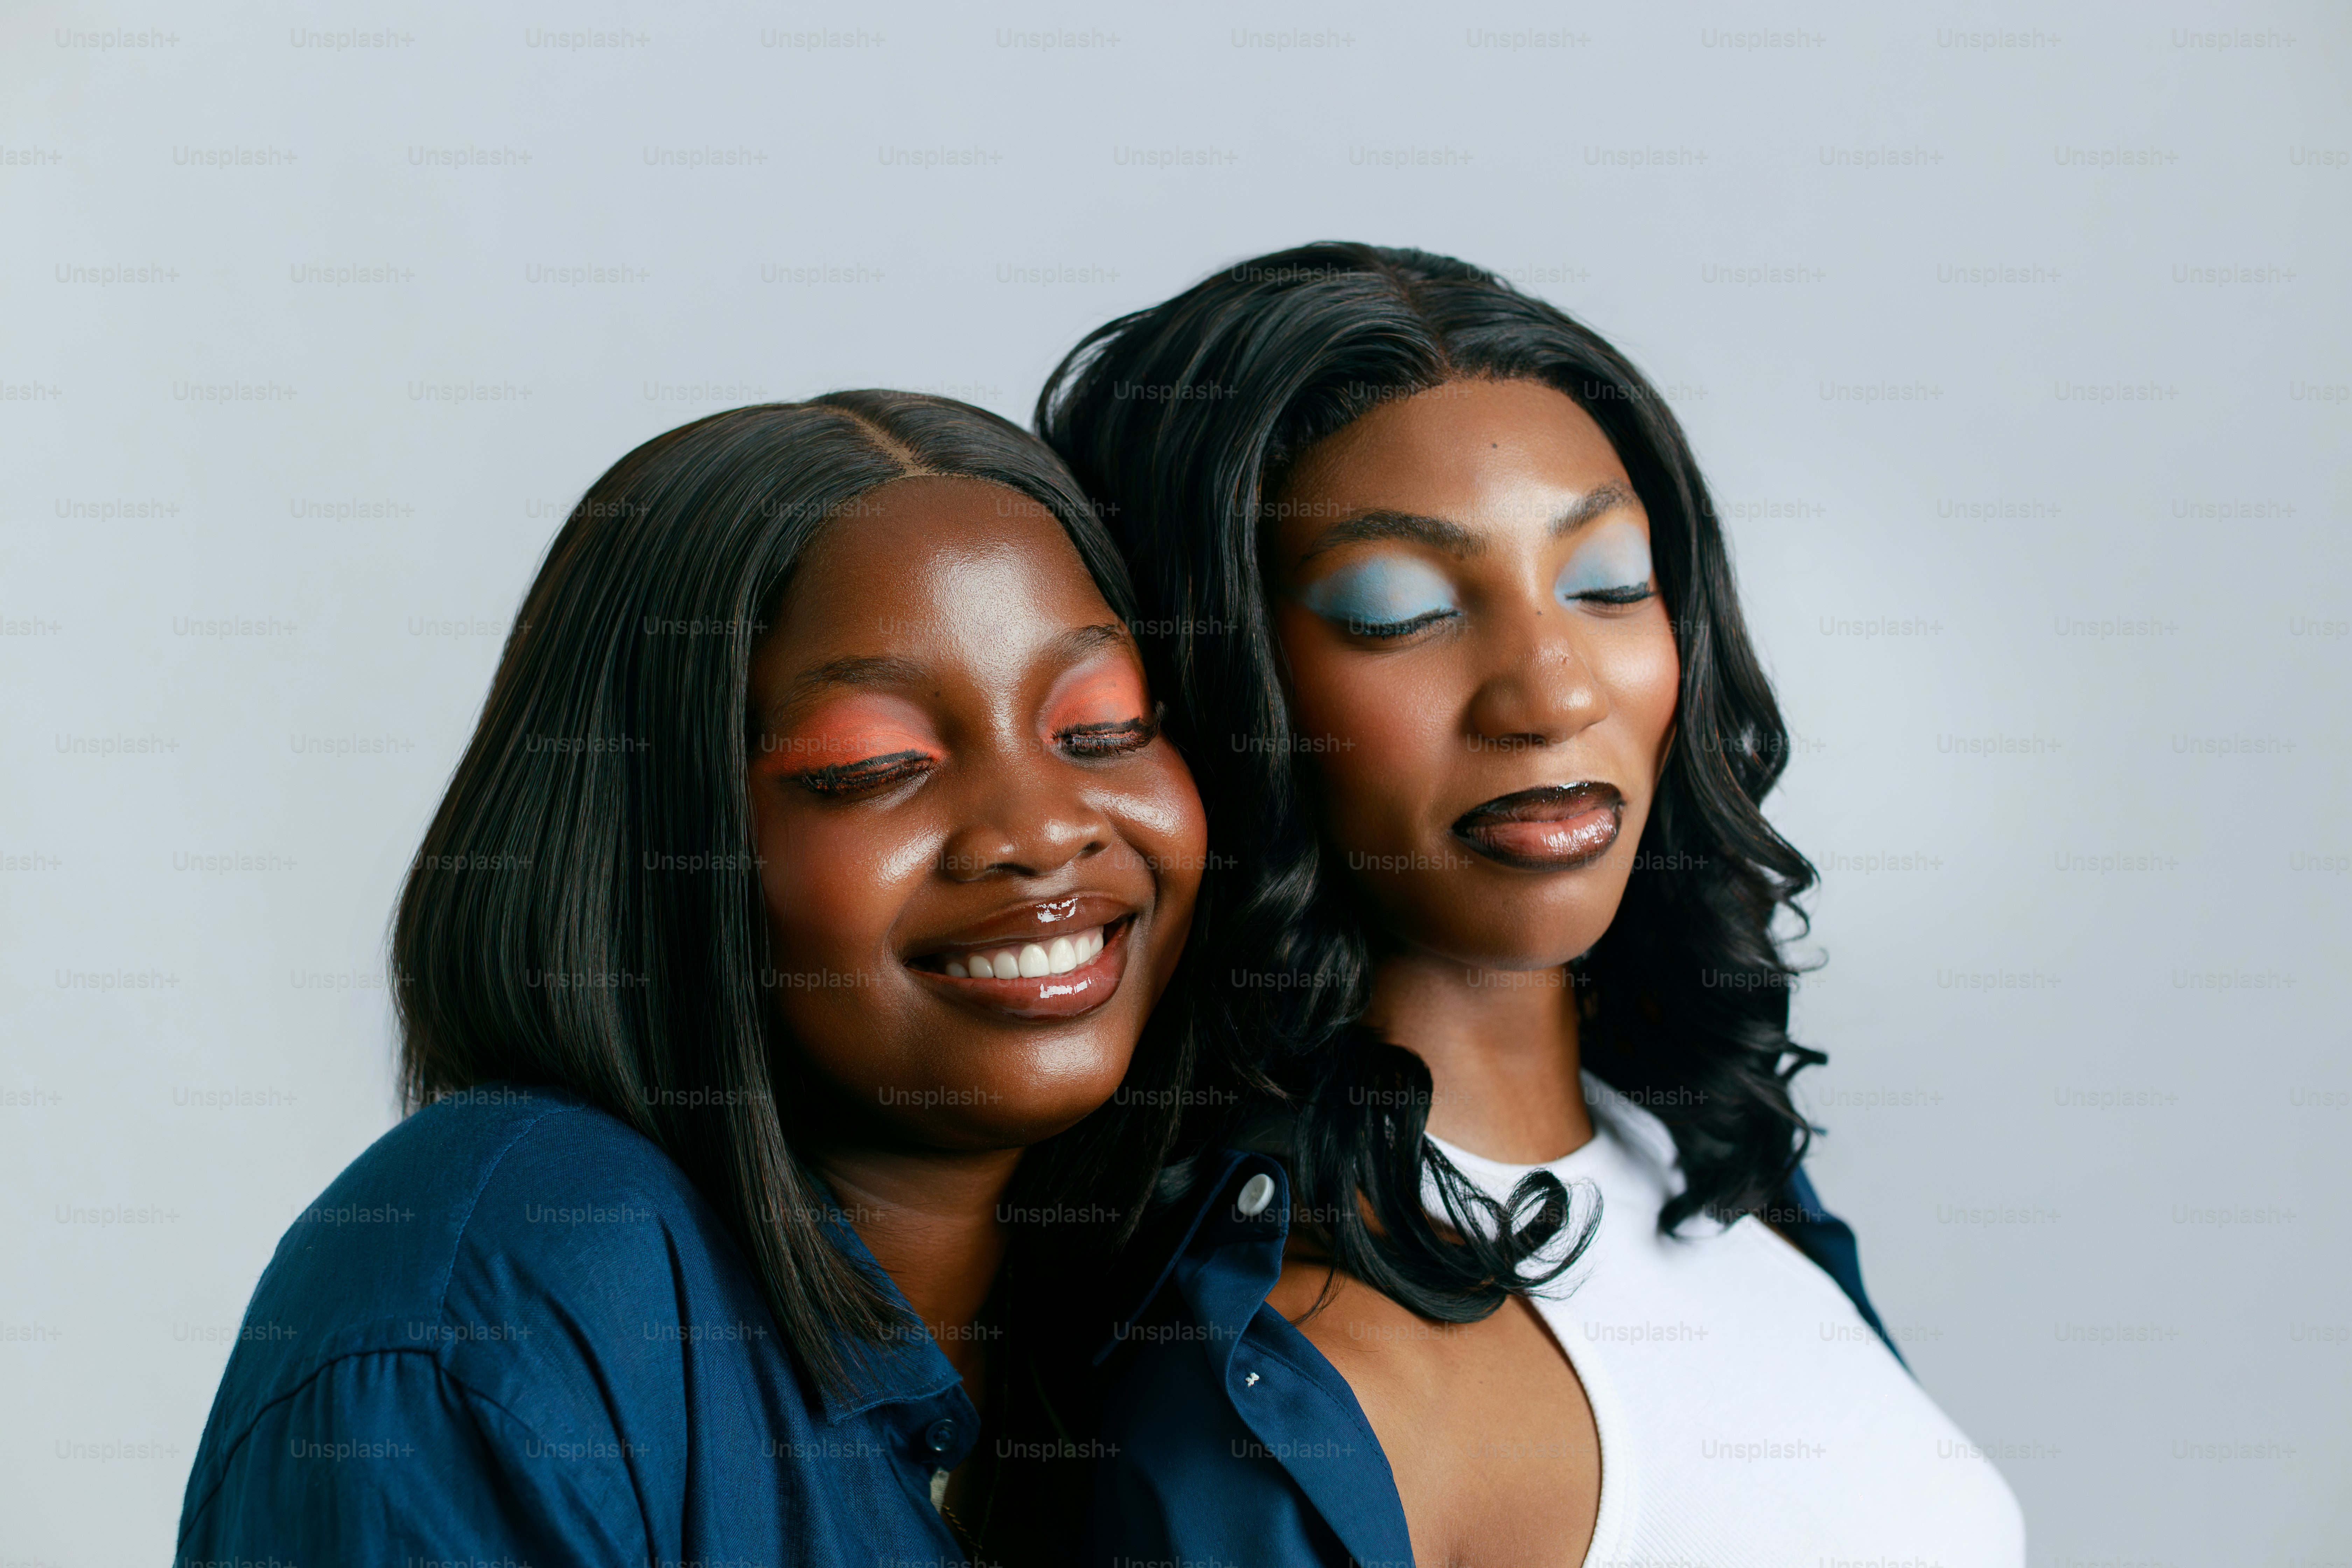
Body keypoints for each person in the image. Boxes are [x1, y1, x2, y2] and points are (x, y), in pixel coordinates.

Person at [1039, 244, 2025, 1566]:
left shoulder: (1710, 1172)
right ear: (1212, 682)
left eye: (1610, 584)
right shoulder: (1283, 1392)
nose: (1552, 690)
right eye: (1400, 611)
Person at [173, 392, 1206, 1568]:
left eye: (1104, 728)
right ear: (648, 835)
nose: (1041, 829)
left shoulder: (1186, 1315)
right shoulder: (511, 1298)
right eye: (874, 765)